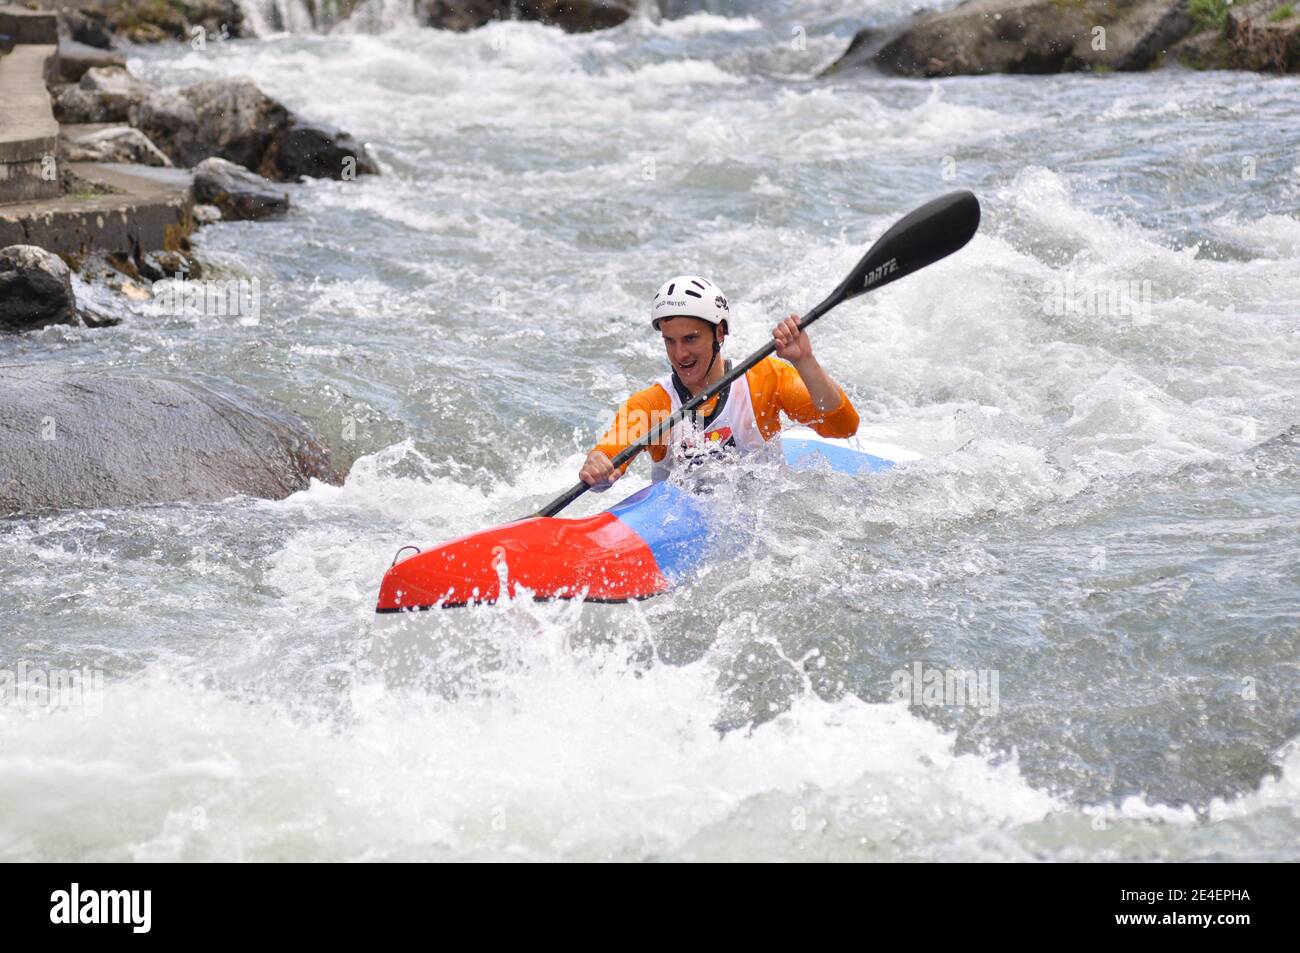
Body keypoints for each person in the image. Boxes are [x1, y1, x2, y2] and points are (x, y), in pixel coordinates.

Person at [579, 275, 859, 488]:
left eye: (690, 338)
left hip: (764, 522)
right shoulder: (652, 404)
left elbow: (843, 427)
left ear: (720, 333)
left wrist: (805, 361)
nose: (680, 354)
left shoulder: (765, 378)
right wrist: (598, 464)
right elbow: (609, 457)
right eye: (670, 341)